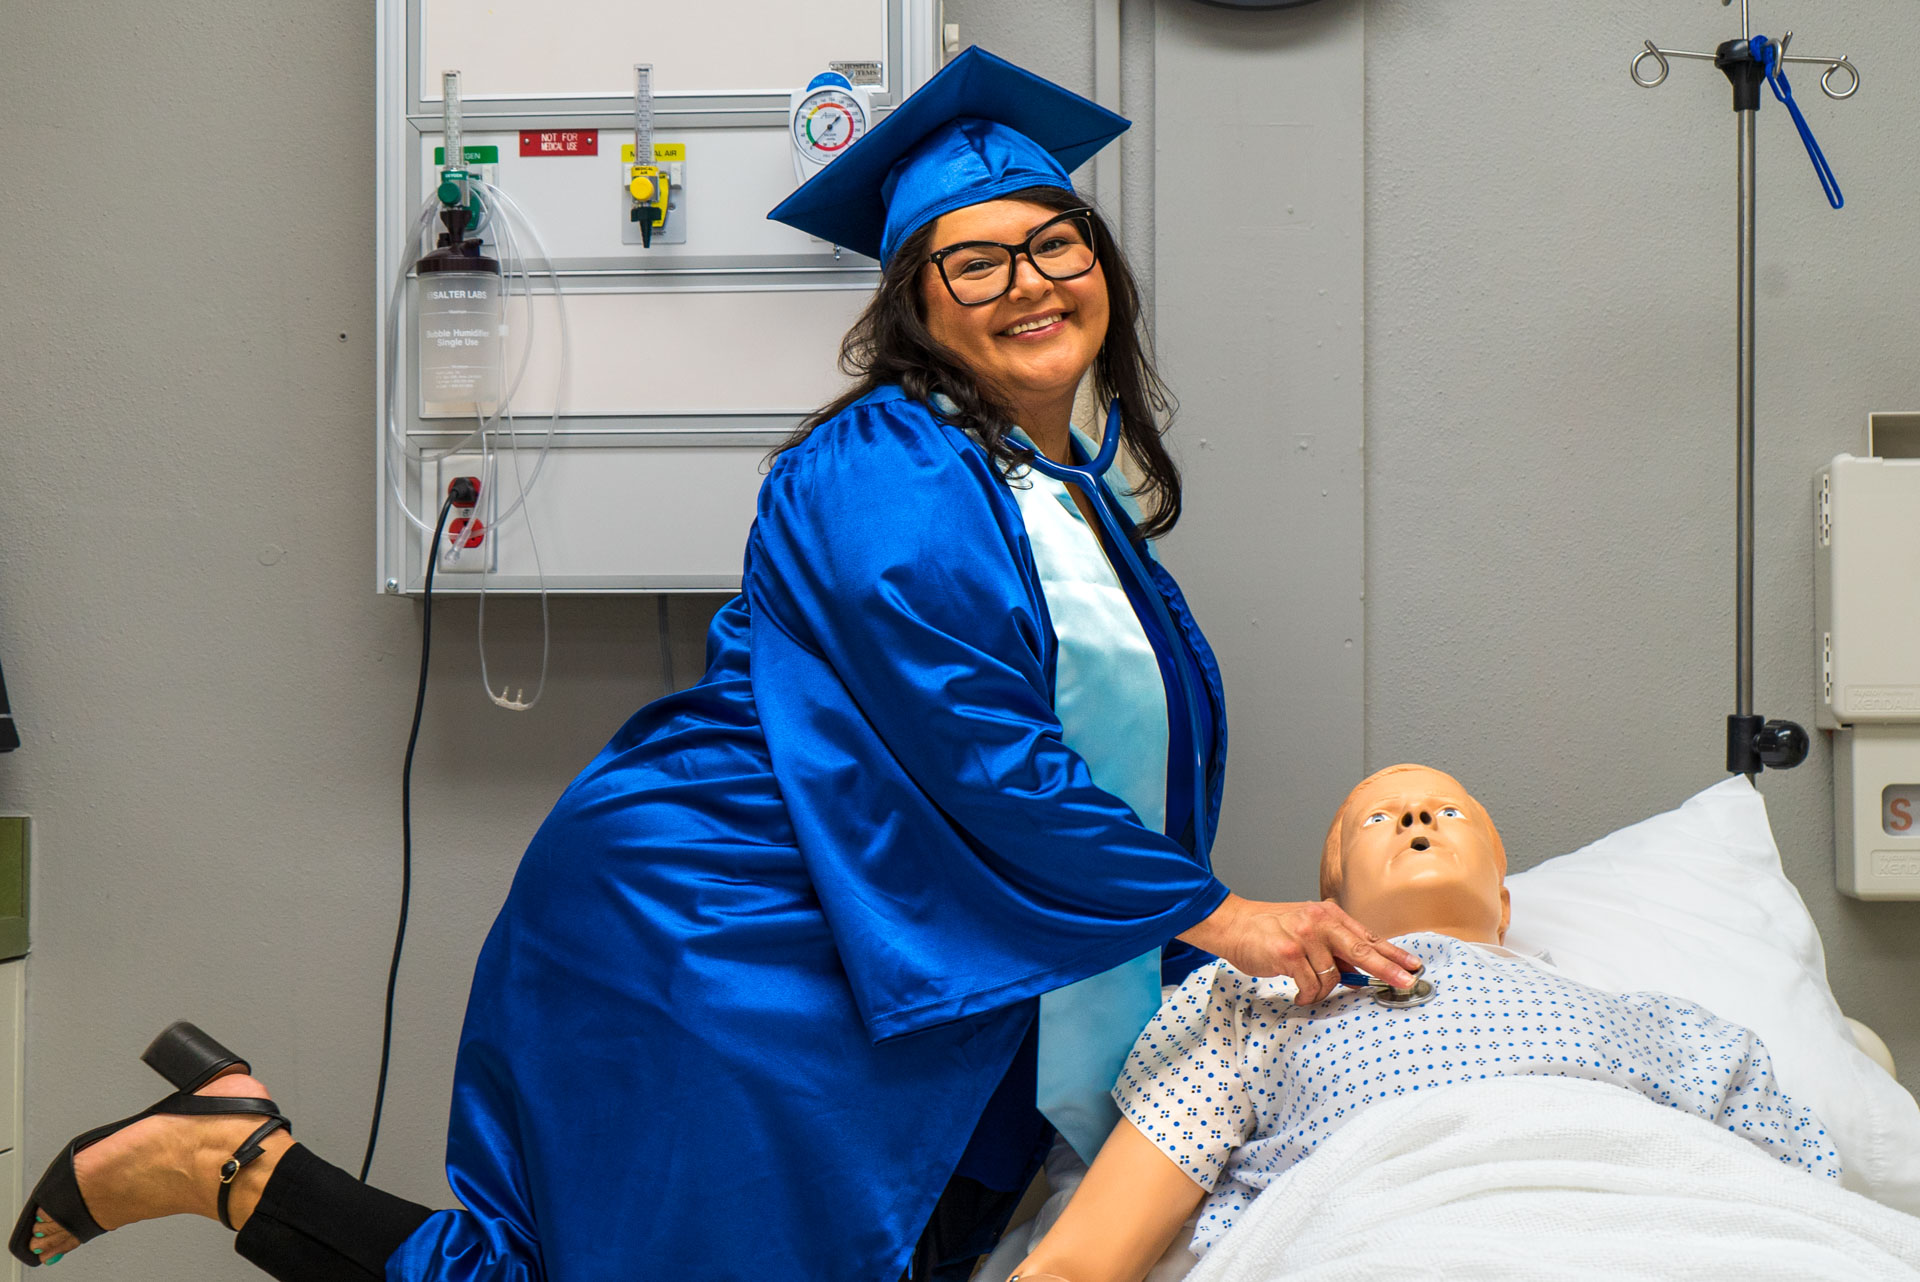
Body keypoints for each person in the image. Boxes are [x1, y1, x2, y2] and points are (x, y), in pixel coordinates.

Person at [11, 49, 1421, 1282]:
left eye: (1057, 244)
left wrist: (1188, 933)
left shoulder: (1063, 493)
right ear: (916, 306)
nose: (1030, 284)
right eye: (975, 262)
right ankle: (226, 1164)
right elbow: (971, 738)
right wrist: (1217, 917)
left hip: (905, 959)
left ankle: (230, 1151)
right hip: (730, 939)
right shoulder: (884, 466)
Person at [1004, 763, 1840, 1282]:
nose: (1415, 820)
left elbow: (1796, 1212)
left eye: (1449, 811)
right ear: (1329, 899)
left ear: (1505, 904)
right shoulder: (1252, 1005)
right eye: (1380, 818)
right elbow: (1081, 1261)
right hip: (1386, 1234)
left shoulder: (1662, 1023)